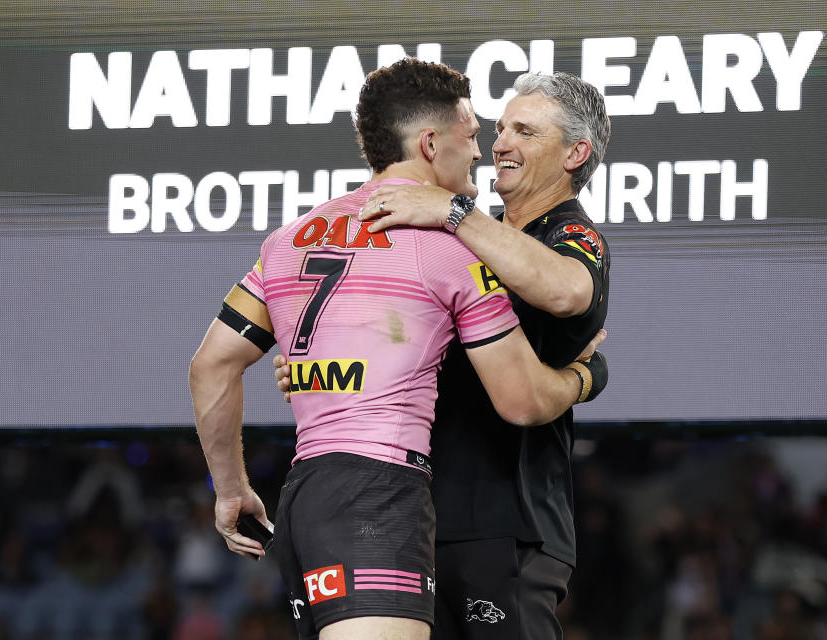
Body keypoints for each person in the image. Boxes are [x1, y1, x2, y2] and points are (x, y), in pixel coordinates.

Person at [189, 59, 607, 640]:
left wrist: (231, 490)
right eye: (475, 136)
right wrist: (589, 376)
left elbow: (211, 363)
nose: (485, 152)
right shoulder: (449, 249)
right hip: (381, 497)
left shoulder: (288, 239)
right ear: (431, 144)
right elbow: (521, 399)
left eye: (520, 133)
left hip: (306, 497)